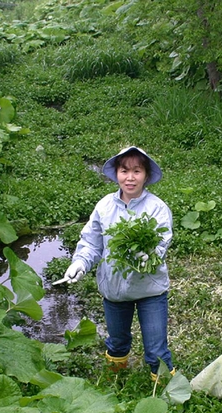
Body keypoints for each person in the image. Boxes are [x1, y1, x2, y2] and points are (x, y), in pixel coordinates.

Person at [63, 146, 175, 381]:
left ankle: (166, 392)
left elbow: (162, 243)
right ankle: (115, 383)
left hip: (150, 290)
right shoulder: (104, 206)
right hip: (114, 290)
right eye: (124, 171)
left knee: (156, 351)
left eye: (137, 171)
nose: (130, 177)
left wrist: (150, 254)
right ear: (116, 174)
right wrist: (80, 263)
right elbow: (92, 243)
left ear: (146, 175)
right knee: (117, 343)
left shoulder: (157, 208)